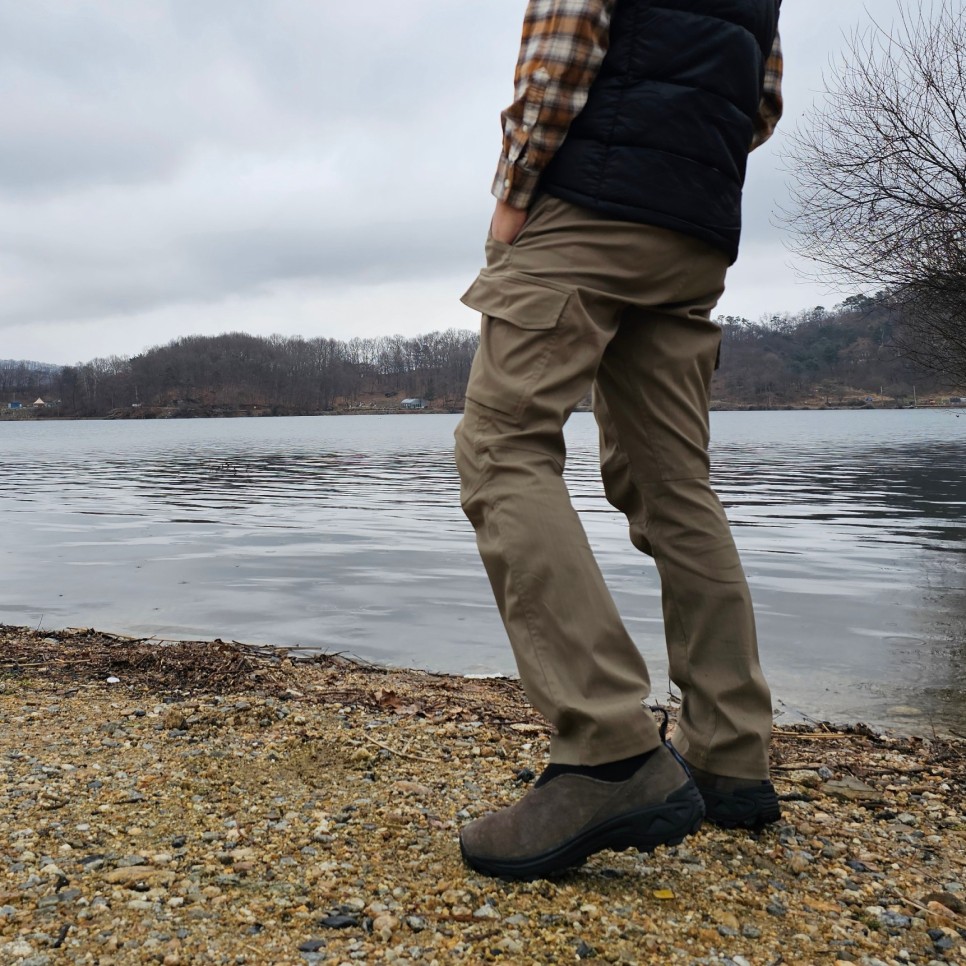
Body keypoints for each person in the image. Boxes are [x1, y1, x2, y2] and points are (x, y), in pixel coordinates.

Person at [453, 0, 784, 880]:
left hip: (591, 209)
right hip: (697, 231)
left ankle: (608, 750)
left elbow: (557, 59)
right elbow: (762, 99)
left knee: (501, 446)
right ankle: (730, 755)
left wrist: (510, 207)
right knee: (675, 483)